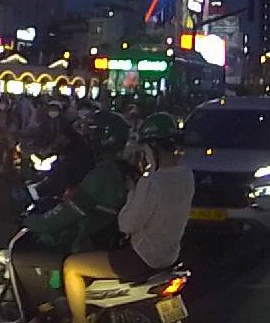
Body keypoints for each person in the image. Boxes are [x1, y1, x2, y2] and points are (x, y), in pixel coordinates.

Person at [61, 112, 194, 323]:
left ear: (153, 147)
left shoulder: (152, 183)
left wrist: (133, 192)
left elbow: (126, 224)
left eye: (145, 148)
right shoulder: (187, 175)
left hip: (140, 257)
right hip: (169, 255)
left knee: (71, 266)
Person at [14, 111, 132, 319]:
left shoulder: (101, 176)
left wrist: (32, 222)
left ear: (103, 138)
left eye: (91, 133)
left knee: (44, 257)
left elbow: (65, 215)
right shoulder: (128, 170)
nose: (87, 137)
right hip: (116, 238)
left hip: (92, 242)